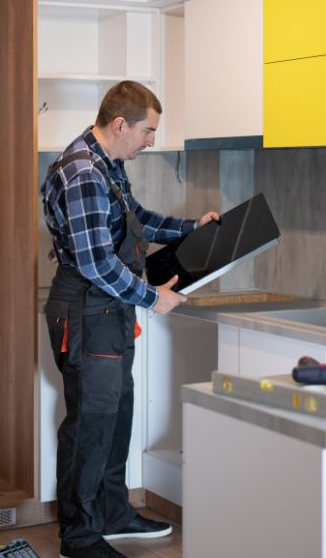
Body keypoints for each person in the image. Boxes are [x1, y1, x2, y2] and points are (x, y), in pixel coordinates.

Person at [40, 80, 220, 558]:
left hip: (108, 308)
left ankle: (113, 512)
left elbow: (136, 219)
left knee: (117, 412)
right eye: (147, 130)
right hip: (85, 309)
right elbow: (96, 261)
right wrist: (149, 297)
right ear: (120, 124)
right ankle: (78, 537)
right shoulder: (82, 173)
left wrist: (190, 228)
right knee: (91, 422)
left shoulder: (108, 165)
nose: (151, 141)